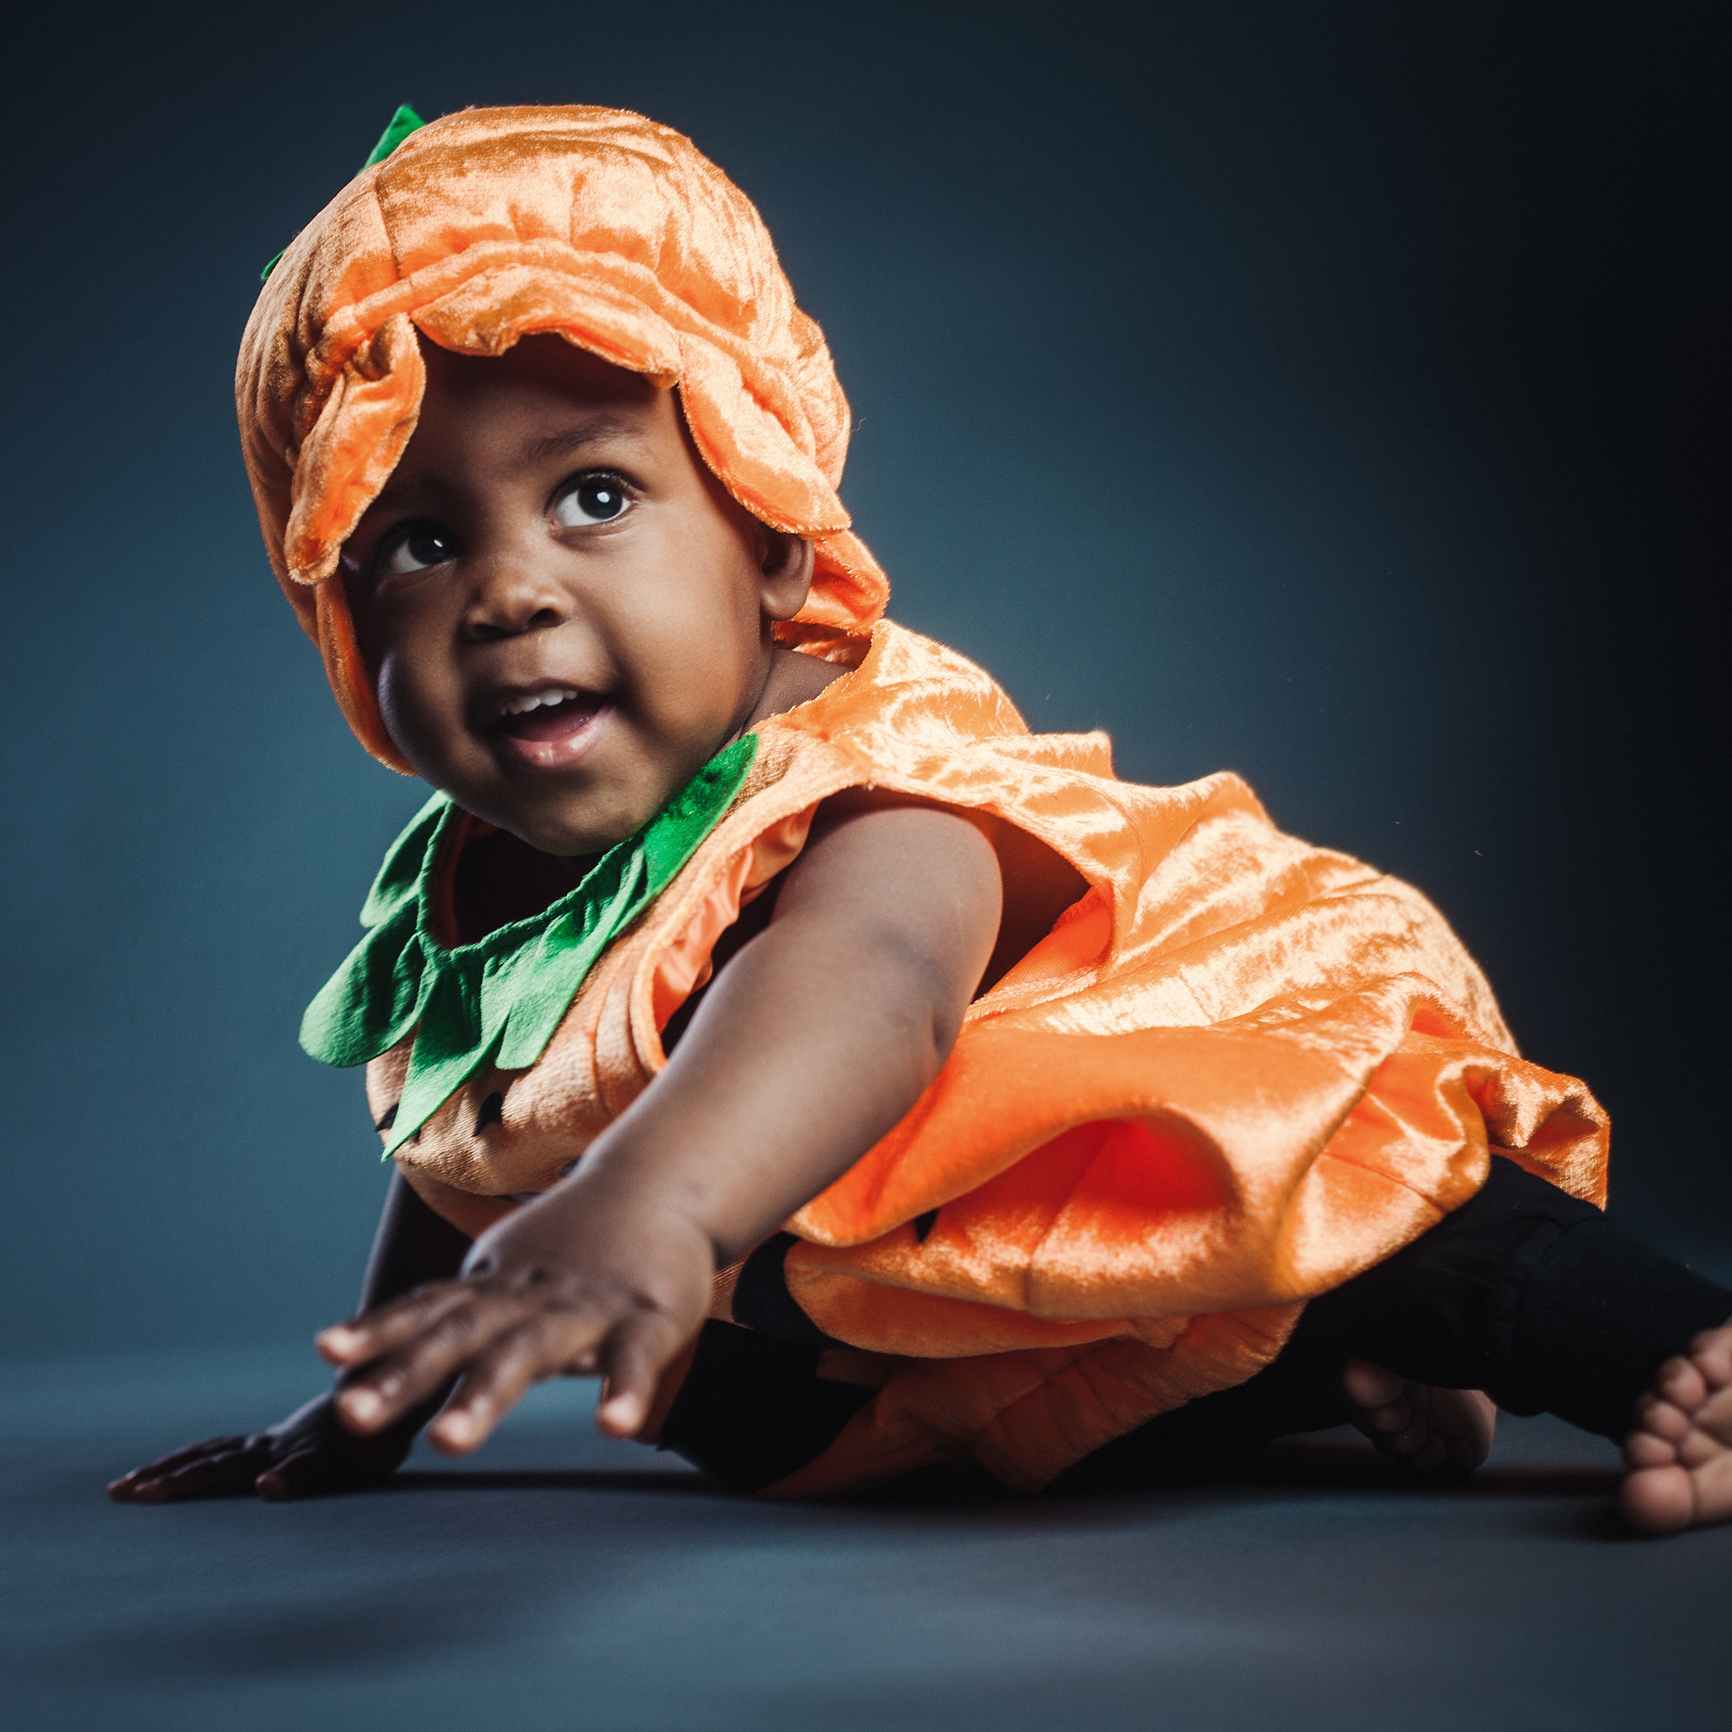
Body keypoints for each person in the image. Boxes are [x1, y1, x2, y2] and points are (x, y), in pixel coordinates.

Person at [109, 105, 1730, 1533]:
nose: (507, 594)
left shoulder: (873, 792)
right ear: (342, 625)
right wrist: (370, 1399)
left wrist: (650, 1205)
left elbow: (867, 989)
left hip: (1147, 1169)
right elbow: (467, 1136)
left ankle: (1655, 1347)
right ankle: (1323, 1374)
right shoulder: (474, 891)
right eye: (416, 543)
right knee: (729, 1414)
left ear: (770, 540)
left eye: (593, 497)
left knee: (1378, 1203)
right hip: (921, 1342)